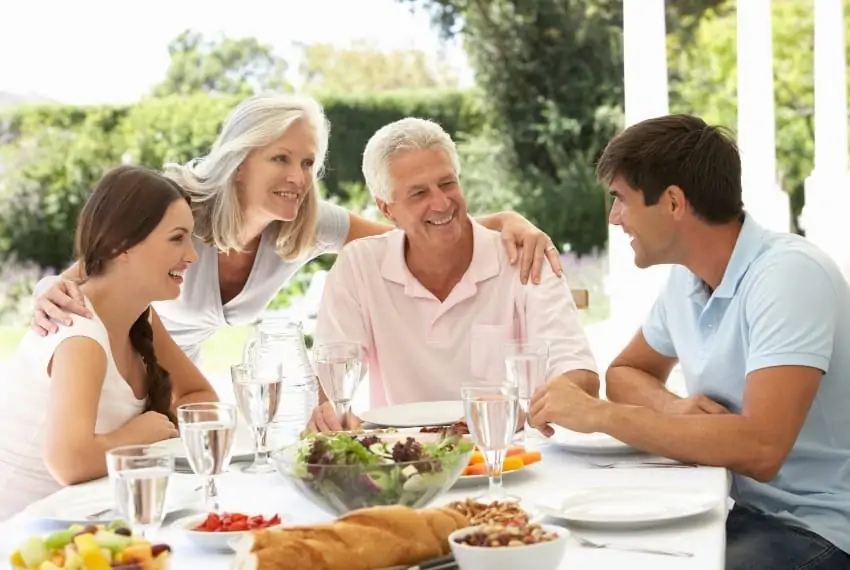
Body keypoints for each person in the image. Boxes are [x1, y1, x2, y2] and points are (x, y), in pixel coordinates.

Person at [528, 114, 850, 569]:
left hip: (818, 528)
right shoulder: (688, 281)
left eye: (620, 199)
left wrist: (597, 414)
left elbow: (761, 448)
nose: (614, 217)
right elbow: (626, 373)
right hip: (738, 512)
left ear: (674, 203)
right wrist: (673, 407)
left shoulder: (789, 276)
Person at [30, 94, 564, 366]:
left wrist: (506, 223)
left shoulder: (306, 224)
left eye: (308, 163)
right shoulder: (176, 206)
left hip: (174, 383)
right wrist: (42, 289)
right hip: (105, 368)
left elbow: (407, 231)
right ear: (240, 162)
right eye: (280, 158)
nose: (297, 178)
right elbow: (88, 273)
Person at [307, 117, 599, 433]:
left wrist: (535, 408)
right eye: (418, 193)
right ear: (387, 209)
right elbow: (331, 385)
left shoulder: (523, 256)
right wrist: (332, 418)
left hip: (506, 458)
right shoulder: (359, 266)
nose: (441, 202)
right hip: (404, 467)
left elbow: (578, 375)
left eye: (447, 183)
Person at [0, 166, 218, 520]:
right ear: (122, 246)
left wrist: (160, 426)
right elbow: (68, 462)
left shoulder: (140, 316)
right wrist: (139, 433)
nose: (192, 255)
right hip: (20, 537)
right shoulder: (79, 332)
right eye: (177, 238)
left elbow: (201, 398)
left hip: (86, 519)